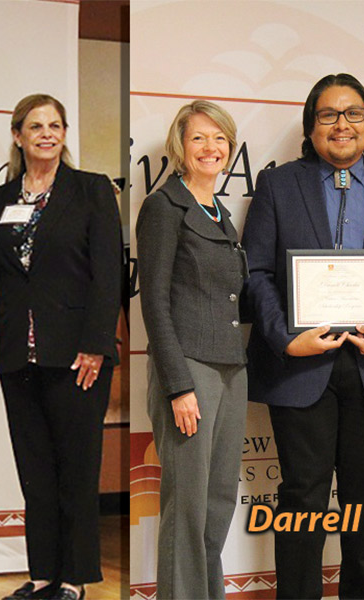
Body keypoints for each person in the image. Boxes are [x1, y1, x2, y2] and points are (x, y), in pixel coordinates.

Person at [241, 73, 364, 599]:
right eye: (328, 115)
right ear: (311, 127)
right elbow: (255, 272)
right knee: (302, 501)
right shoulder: (279, 185)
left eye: (353, 114)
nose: (341, 124)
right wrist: (286, 338)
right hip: (301, 365)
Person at [0, 94, 122, 600]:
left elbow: (108, 274)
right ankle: (41, 575)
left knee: (76, 469)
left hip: (78, 354)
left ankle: (74, 579)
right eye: (36, 126)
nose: (47, 134)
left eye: (56, 125)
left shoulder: (91, 190)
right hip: (18, 351)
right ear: (17, 135)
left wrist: (97, 344)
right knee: (34, 471)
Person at [136, 100, 248, 599]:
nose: (210, 147)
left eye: (219, 138)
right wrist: (178, 386)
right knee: (186, 508)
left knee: (217, 503)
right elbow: (155, 303)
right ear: (180, 146)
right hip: (190, 372)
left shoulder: (221, 212)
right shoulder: (164, 207)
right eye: (199, 137)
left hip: (231, 369)